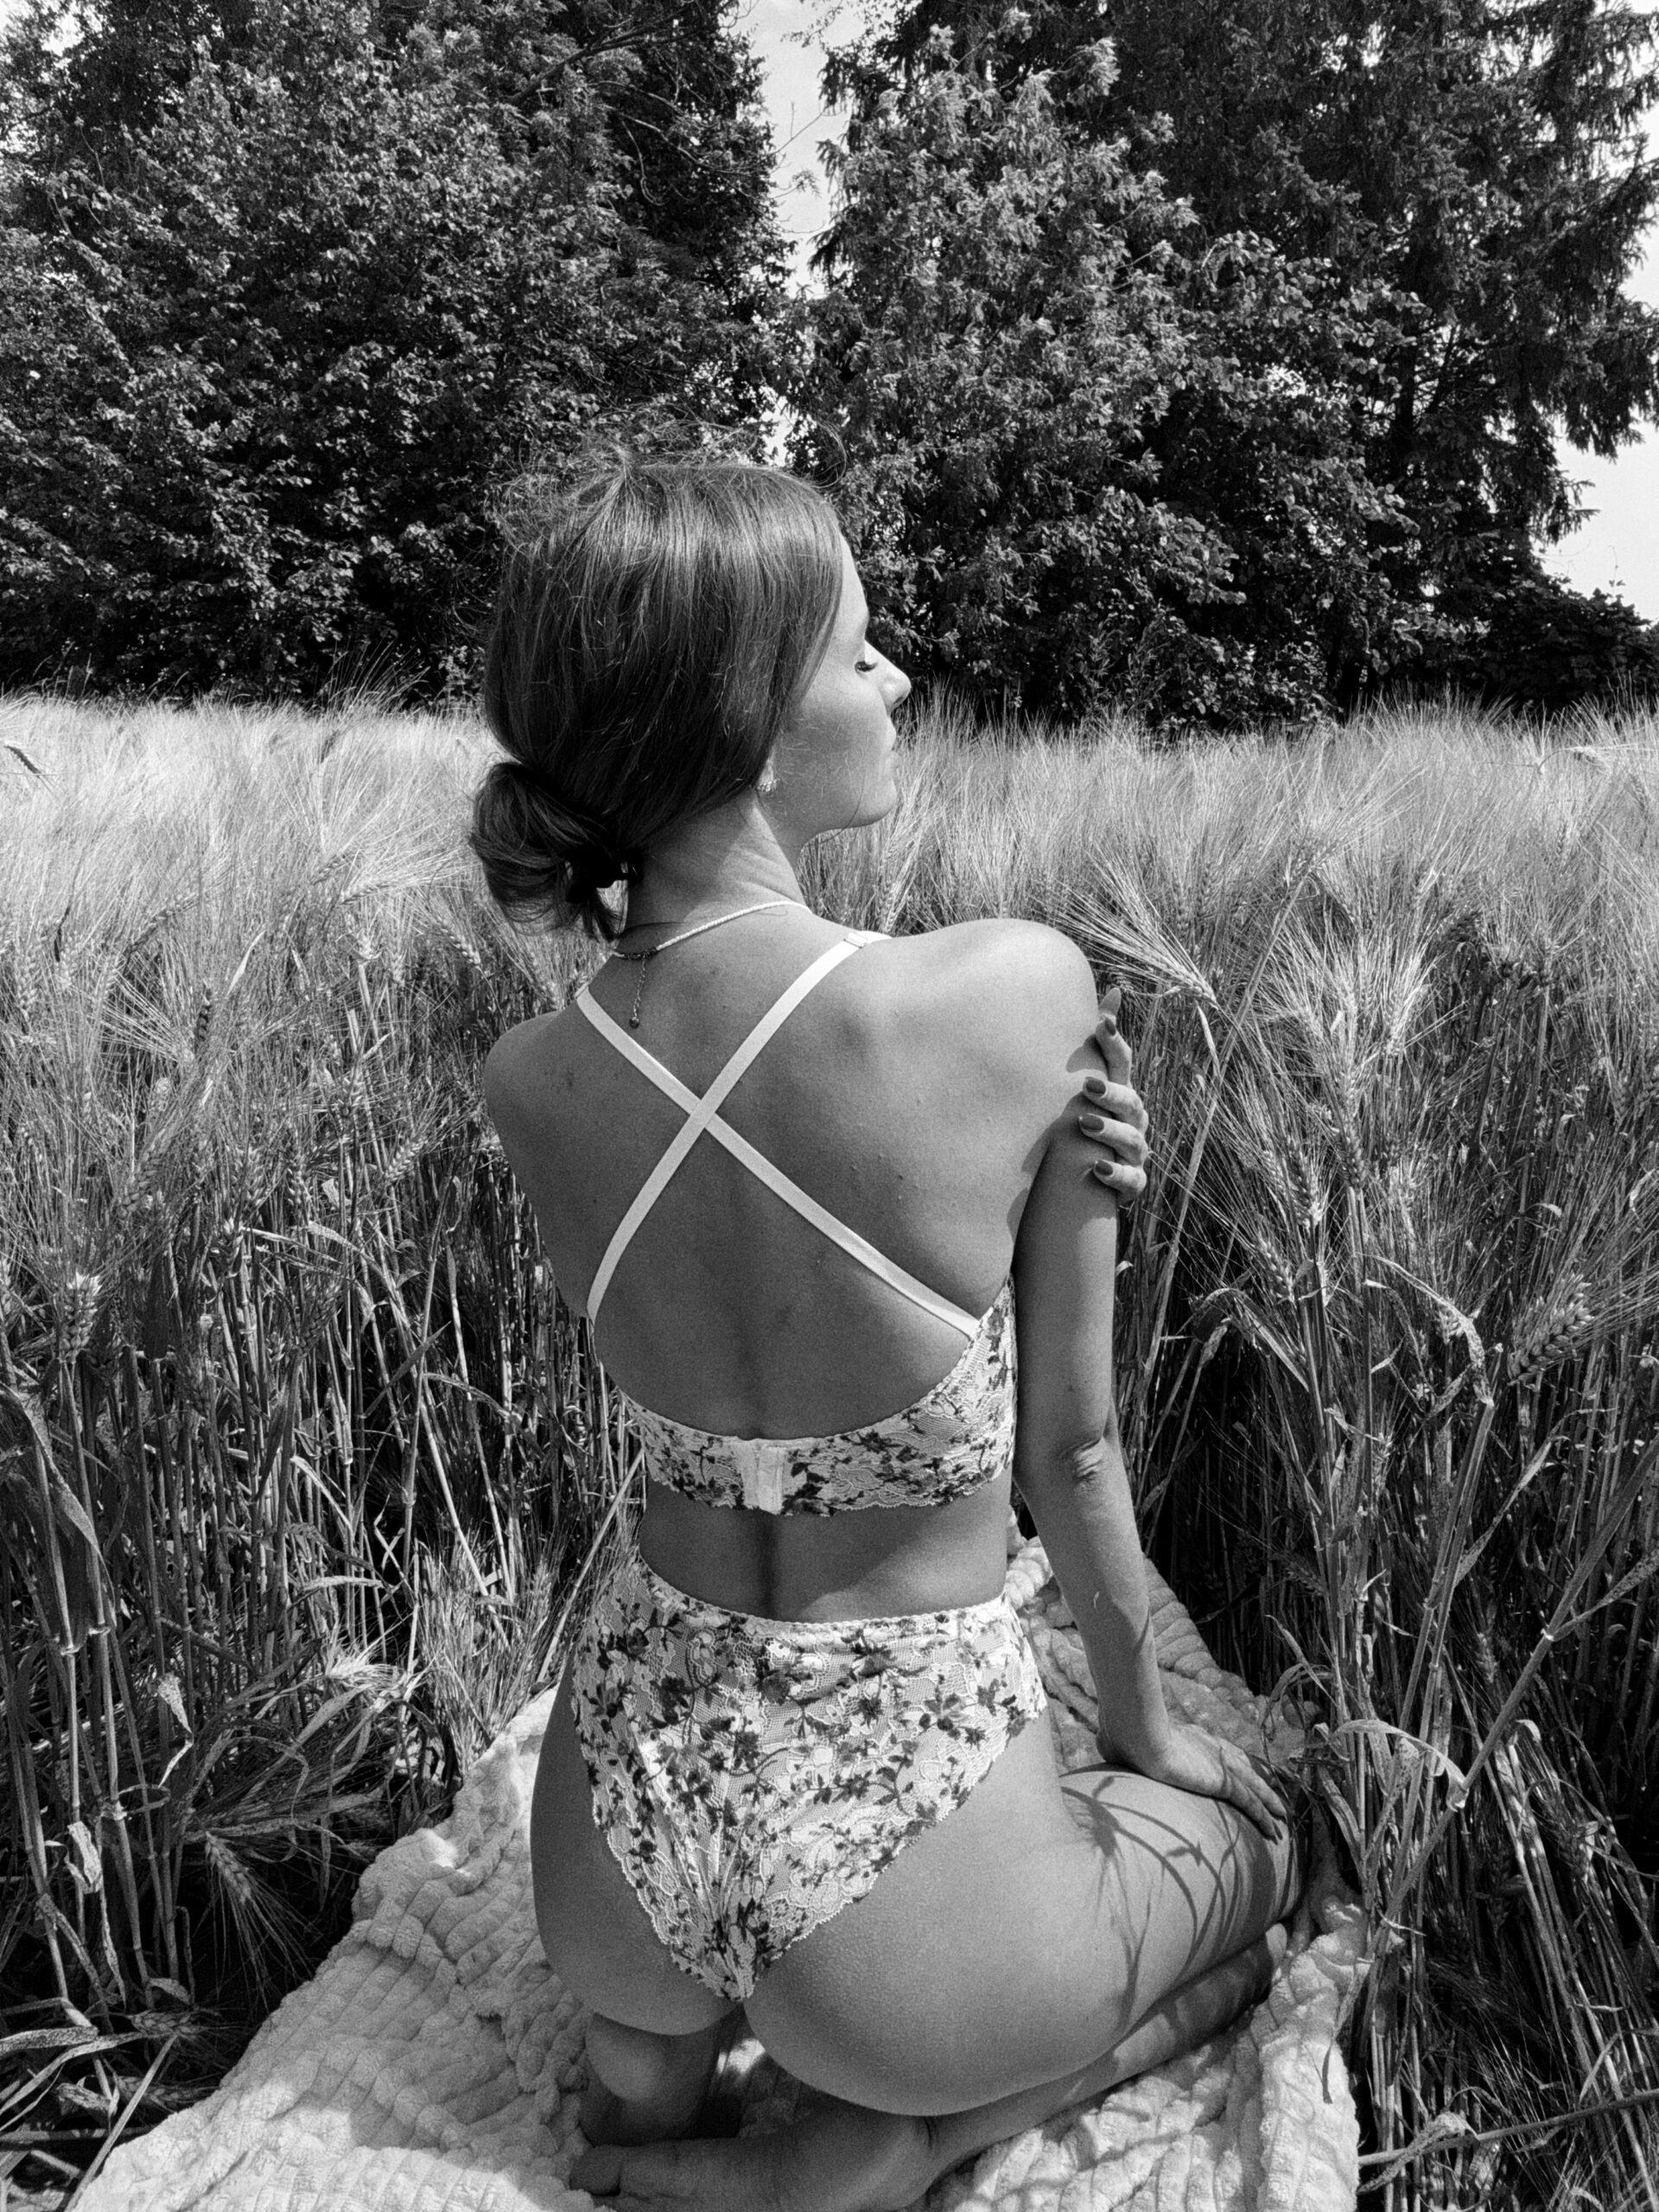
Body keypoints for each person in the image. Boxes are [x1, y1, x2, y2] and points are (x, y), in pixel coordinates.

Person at [475, 451, 1300, 2212]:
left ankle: (659, 2064)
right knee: (1266, 1839)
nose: (900, 679)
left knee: (649, 2035)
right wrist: (1150, 1736)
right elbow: (1073, 1452)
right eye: (860, 651)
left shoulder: (531, 1077)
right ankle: (896, 2141)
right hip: (900, 1836)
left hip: (622, 1808)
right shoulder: (1010, 990)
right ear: (750, 723)